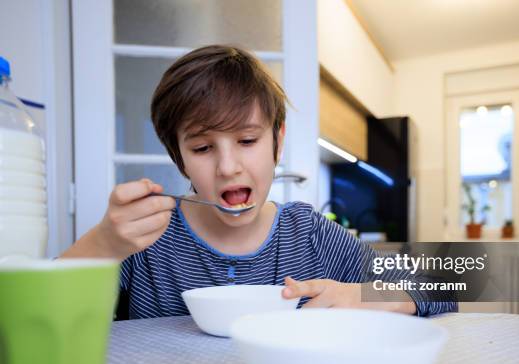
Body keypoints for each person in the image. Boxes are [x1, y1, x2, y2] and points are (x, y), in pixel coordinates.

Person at [61, 45, 457, 319]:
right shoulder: (148, 240)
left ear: (277, 141)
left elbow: (444, 289)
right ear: (178, 157)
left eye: (247, 141)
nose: (228, 167)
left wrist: (365, 294)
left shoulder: (309, 234)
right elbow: (27, 315)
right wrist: (104, 245)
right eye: (202, 148)